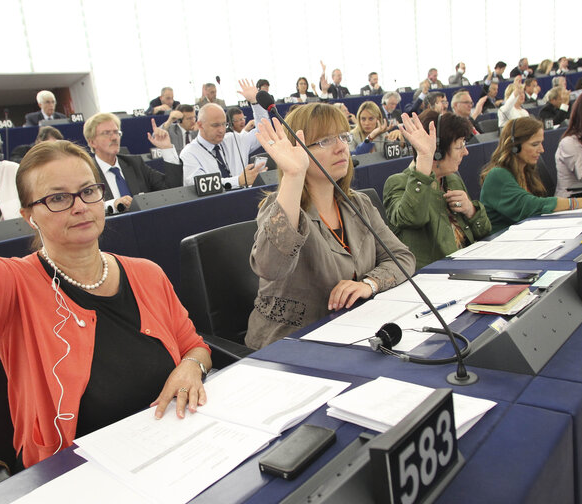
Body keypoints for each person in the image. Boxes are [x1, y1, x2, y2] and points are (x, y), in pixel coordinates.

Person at [0, 37, 212, 468]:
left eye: (88, 191)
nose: (81, 206)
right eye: (57, 198)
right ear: (28, 216)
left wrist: (190, 368)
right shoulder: (15, 286)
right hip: (79, 474)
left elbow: (196, 346)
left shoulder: (146, 273)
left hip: (179, 449)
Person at [245, 103, 415, 349]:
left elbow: (401, 257)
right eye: (325, 141)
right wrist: (294, 176)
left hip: (352, 333)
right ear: (296, 150)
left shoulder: (357, 202)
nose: (341, 147)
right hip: (291, 345)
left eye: (343, 137)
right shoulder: (279, 208)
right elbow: (270, 267)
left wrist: (369, 284)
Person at [384, 111, 491, 269]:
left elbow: (485, 231)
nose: (466, 152)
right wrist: (424, 159)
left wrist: (471, 211)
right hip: (436, 276)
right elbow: (412, 218)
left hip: (468, 265)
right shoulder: (398, 183)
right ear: (438, 152)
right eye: (459, 146)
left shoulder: (453, 180)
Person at [480, 117, 582, 233]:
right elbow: (531, 206)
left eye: (541, 143)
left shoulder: (527, 170)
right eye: (535, 144)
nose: (542, 149)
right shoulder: (497, 175)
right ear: (514, 146)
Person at [181, 79, 269, 187]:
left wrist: (256, 103)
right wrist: (238, 181)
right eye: (215, 125)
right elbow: (199, 185)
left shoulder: (234, 139)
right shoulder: (190, 153)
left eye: (224, 124)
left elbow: (264, 132)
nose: (222, 130)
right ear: (200, 125)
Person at [84, 112, 174, 210]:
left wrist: (167, 148)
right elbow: (86, 208)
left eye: (116, 132)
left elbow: (171, 188)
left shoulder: (135, 163)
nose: (114, 138)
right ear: (92, 142)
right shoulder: (87, 173)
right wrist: (112, 205)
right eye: (106, 133)